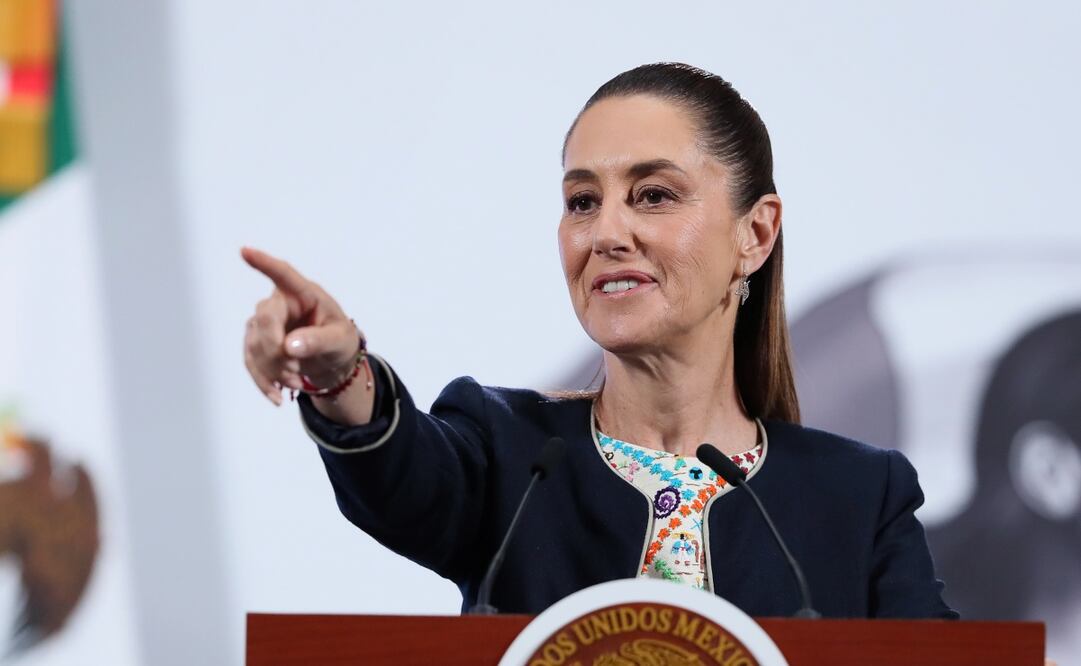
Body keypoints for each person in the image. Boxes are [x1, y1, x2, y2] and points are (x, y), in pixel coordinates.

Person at [241, 62, 957, 619]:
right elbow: (400, 472)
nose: (607, 233)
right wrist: (337, 373)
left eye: (652, 195)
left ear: (755, 233)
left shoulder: (857, 495)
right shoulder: (508, 454)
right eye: (582, 201)